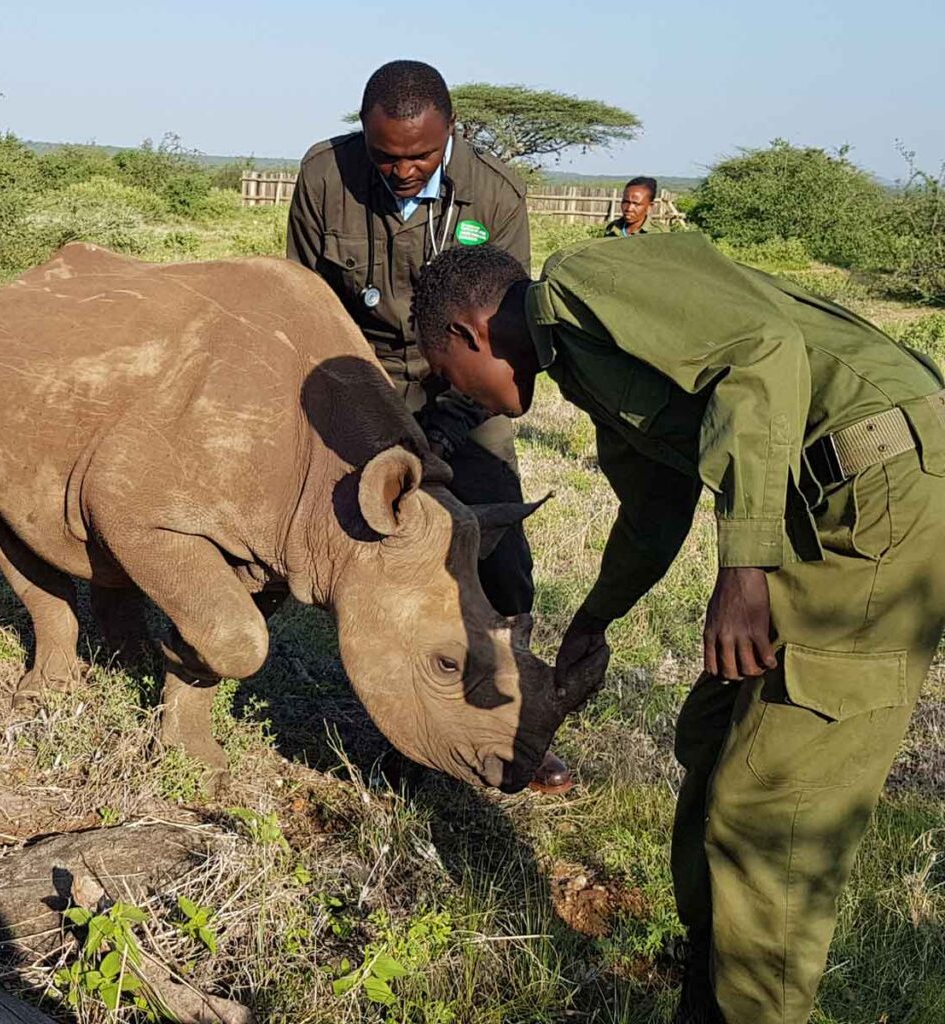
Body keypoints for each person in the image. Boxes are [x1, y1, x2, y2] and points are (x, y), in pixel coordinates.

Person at [411, 234, 945, 1024]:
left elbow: (764, 355)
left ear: (467, 333)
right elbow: (655, 507)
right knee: (713, 737)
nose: (473, 400)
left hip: (882, 490)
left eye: (449, 375)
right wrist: (594, 618)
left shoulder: (579, 284)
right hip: (828, 504)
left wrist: (744, 569)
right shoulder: (586, 362)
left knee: (771, 805)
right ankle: (713, 990)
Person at [286, 59, 570, 794]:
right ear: (364, 132)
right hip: (361, 377)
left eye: (421, 155)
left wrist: (445, 428)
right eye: (387, 157)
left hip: (464, 384)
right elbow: (304, 304)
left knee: (493, 538)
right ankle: (401, 704)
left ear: (449, 133)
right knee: (351, 534)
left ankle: (511, 715)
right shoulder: (324, 175)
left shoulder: (496, 196)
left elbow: (504, 335)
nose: (405, 169)